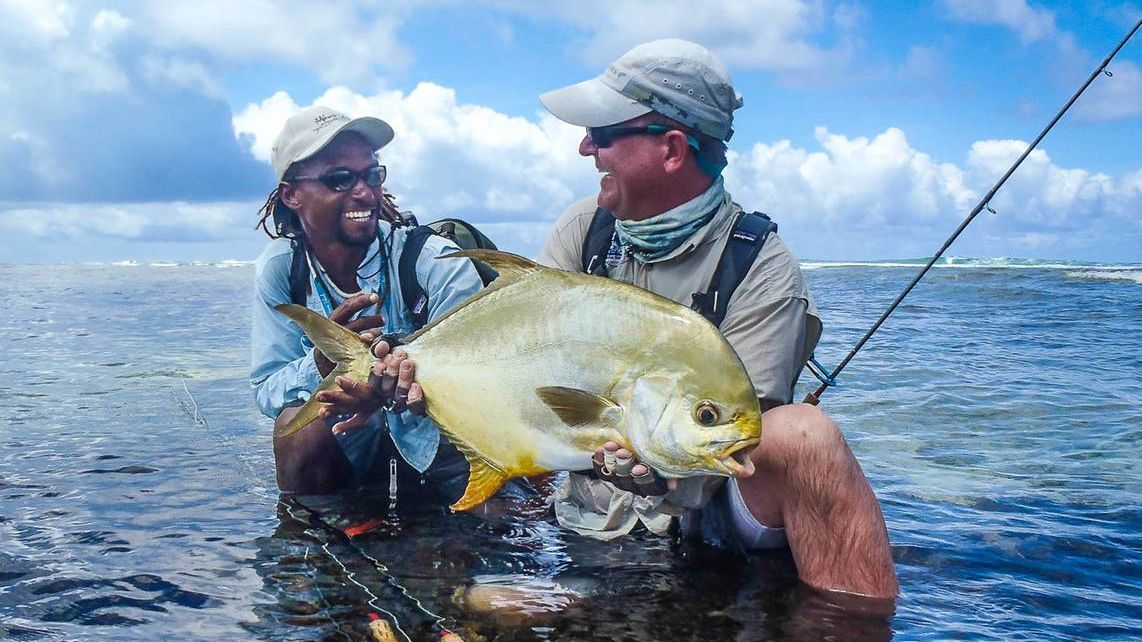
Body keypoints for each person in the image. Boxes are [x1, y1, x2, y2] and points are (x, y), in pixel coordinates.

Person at [534, 39, 899, 599]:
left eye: (603, 134)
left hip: (711, 517)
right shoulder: (582, 229)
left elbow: (732, 441)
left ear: (673, 149)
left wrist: (664, 471)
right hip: (590, 510)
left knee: (804, 435)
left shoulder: (762, 265)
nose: (586, 148)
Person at [249, 105, 483, 501]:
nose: (364, 191)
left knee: (481, 540)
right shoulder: (281, 270)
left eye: (371, 174)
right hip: (350, 440)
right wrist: (322, 366)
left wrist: (395, 387)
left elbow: (480, 376)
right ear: (292, 195)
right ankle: (313, 538)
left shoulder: (438, 263)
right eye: (339, 179)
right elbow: (267, 390)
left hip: (443, 440)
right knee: (295, 425)